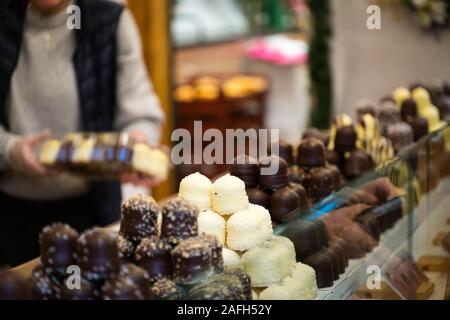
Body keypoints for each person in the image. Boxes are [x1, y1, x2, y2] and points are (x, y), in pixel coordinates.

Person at [0, 0, 165, 267]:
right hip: (10, 216)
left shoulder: (109, 20)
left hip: (95, 211)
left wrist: (136, 145)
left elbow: (140, 110)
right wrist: (11, 150)